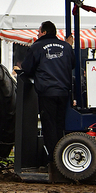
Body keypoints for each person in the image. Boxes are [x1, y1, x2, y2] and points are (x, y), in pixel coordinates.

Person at [21, 21, 75, 180]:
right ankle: (64, 158)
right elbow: (72, 64)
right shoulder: (66, 47)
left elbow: (27, 68)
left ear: (44, 32)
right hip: (64, 92)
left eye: (38, 31)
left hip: (47, 92)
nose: (37, 34)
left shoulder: (36, 47)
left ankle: (54, 161)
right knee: (60, 125)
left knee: (49, 127)